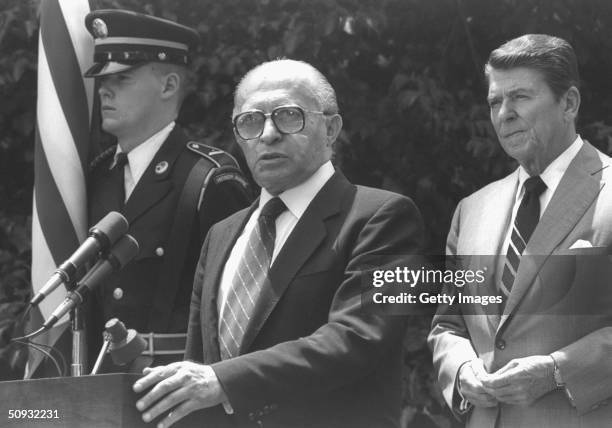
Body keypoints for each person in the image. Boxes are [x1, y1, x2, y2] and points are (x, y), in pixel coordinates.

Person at [131, 59, 425, 428]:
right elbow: (199, 368)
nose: (268, 134)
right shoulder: (220, 235)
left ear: (331, 128)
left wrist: (222, 381)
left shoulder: (384, 216)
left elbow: (359, 338)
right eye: (251, 121)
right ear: (238, 136)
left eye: (288, 116)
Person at [429, 34, 612, 427]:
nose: (504, 113)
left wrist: (558, 370)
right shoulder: (471, 210)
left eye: (521, 97)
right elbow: (448, 324)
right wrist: (461, 372)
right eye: (496, 101)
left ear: (569, 103)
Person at [84, 10, 251, 370]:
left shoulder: (208, 179)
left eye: (123, 78)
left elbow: (240, 306)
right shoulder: (99, 176)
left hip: (178, 388)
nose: (105, 90)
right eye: (103, 80)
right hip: (98, 386)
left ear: (169, 85)